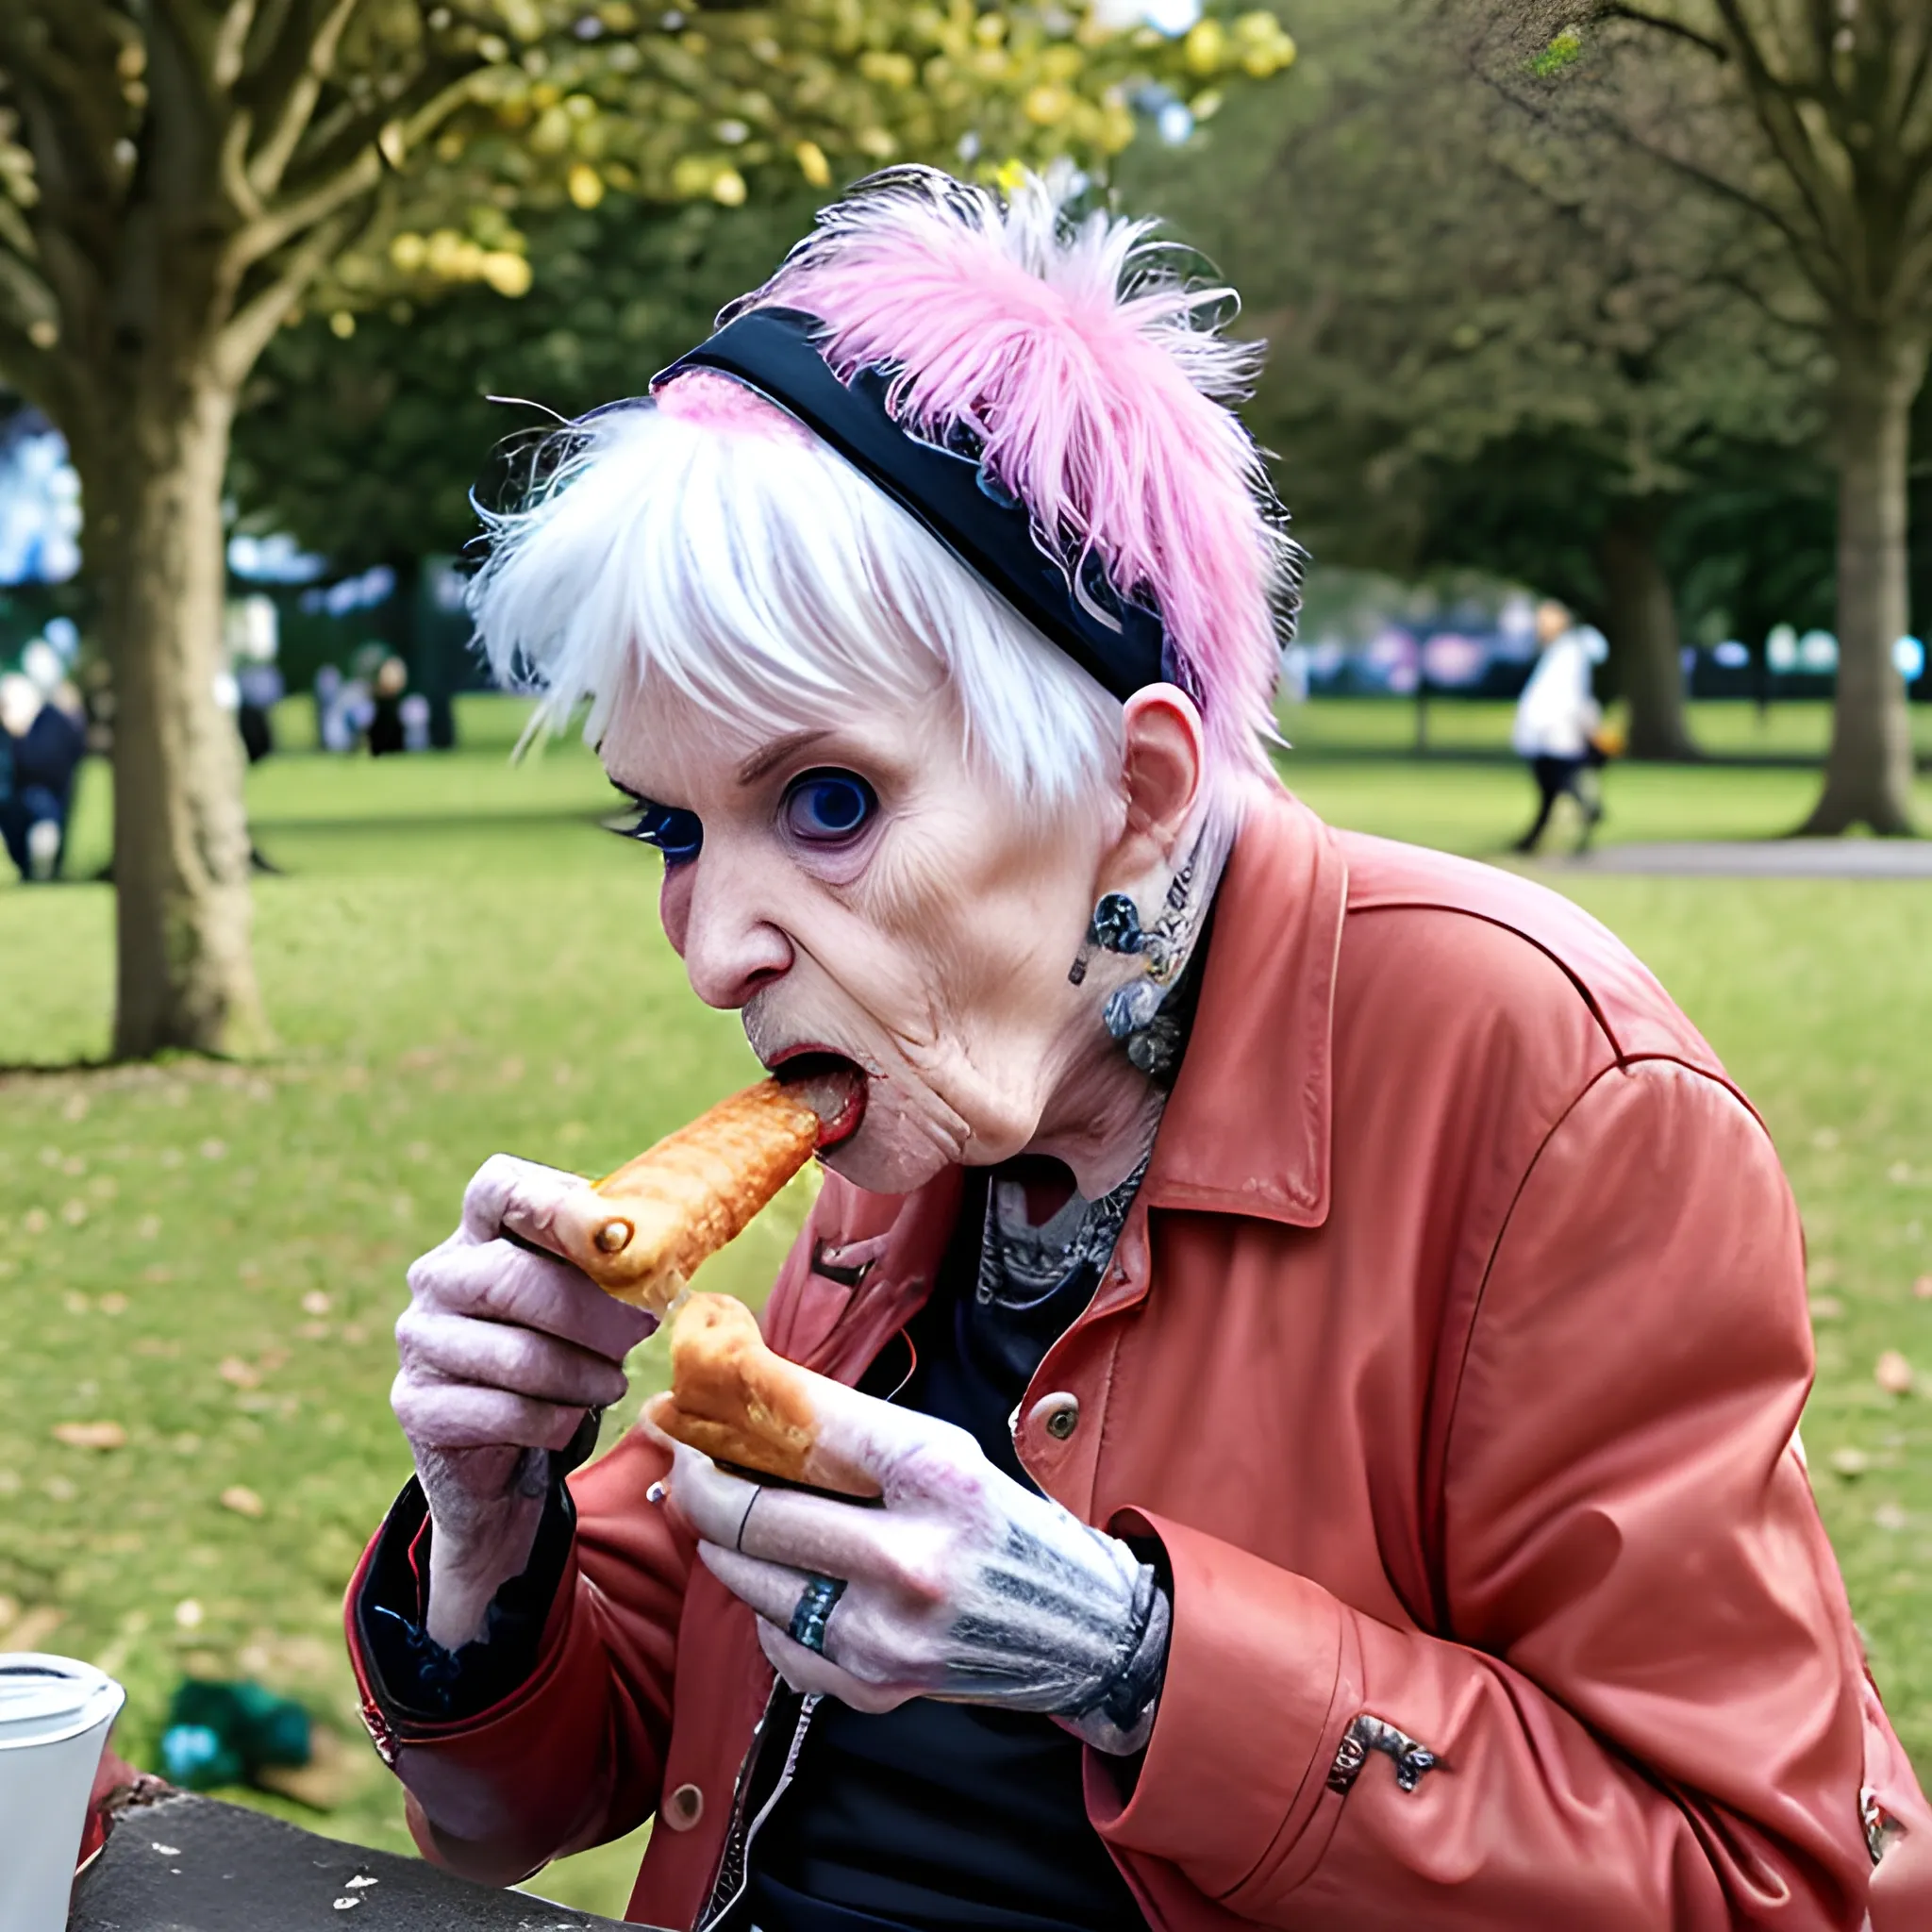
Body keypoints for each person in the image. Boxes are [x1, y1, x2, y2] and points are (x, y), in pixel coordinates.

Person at [343, 169, 1929, 1930]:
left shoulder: (1553, 1090)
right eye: (672, 830)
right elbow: (531, 1798)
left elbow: (1770, 1884)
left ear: (1134, 793)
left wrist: (1129, 1658)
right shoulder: (933, 1100)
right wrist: (489, 1534)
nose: (717, 947)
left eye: (828, 800)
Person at [1509, 598, 1604, 854]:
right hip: (1548, 732)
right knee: (1552, 787)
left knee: (1555, 783)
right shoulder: (1558, 651)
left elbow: (1565, 694)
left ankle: (1586, 810)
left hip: (1554, 732)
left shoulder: (1568, 653)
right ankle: (1533, 839)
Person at [0, 666, 86, 883]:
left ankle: (42, 872)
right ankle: (30, 871)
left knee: (44, 826)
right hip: (15, 798)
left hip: (46, 795)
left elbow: (51, 759)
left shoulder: (49, 722)